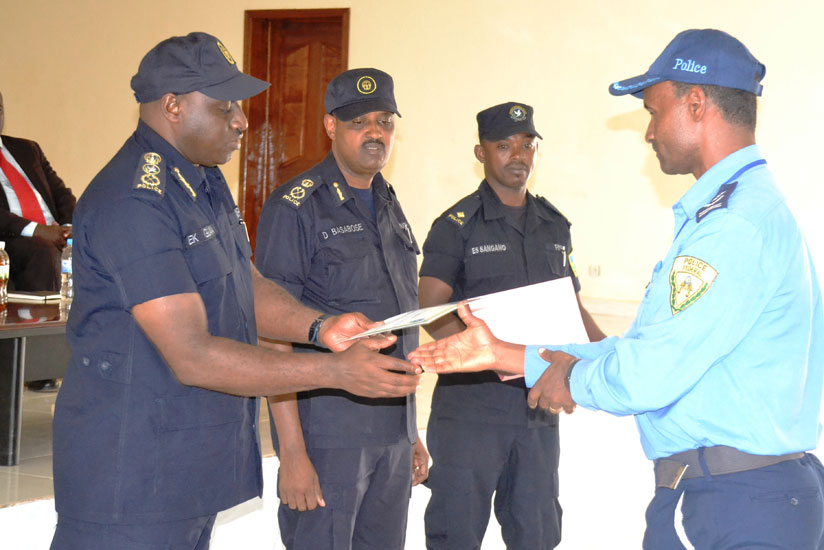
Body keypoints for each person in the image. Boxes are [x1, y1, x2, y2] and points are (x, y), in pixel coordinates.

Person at [409, 29, 824, 549]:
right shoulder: (740, 212)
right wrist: (509, 355)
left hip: (736, 499)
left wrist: (550, 371)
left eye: (653, 112)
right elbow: (651, 352)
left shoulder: (731, 226)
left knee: (535, 527)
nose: (649, 133)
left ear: (696, 103)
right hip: (739, 493)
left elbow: (649, 369)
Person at [50, 34, 420, 550]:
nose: (243, 120)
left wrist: (319, 327)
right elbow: (192, 355)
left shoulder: (202, 181)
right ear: (173, 106)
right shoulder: (135, 201)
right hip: (130, 480)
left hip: (187, 468)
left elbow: (243, 281)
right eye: (224, 107)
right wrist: (333, 370)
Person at [417, 101, 604, 549]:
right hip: (471, 411)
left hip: (538, 409)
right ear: (481, 154)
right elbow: (429, 305)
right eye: (504, 145)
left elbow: (572, 307)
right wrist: (475, 358)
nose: (518, 155)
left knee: (537, 533)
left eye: (527, 144)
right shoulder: (456, 225)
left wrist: (609, 354)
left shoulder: (554, 225)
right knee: (456, 534)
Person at [254, 67, 427, 550]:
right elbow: (272, 335)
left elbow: (399, 322)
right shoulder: (295, 207)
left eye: (385, 121)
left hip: (391, 433)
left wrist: (409, 432)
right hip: (327, 436)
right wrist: (291, 452)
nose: (375, 132)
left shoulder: (389, 203)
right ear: (331, 126)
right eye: (359, 122)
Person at [0, 90, 75, 392]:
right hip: (11, 238)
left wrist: (70, 227)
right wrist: (37, 230)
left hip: (52, 233)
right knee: (42, 250)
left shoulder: (26, 149)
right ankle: (41, 368)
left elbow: (60, 192)